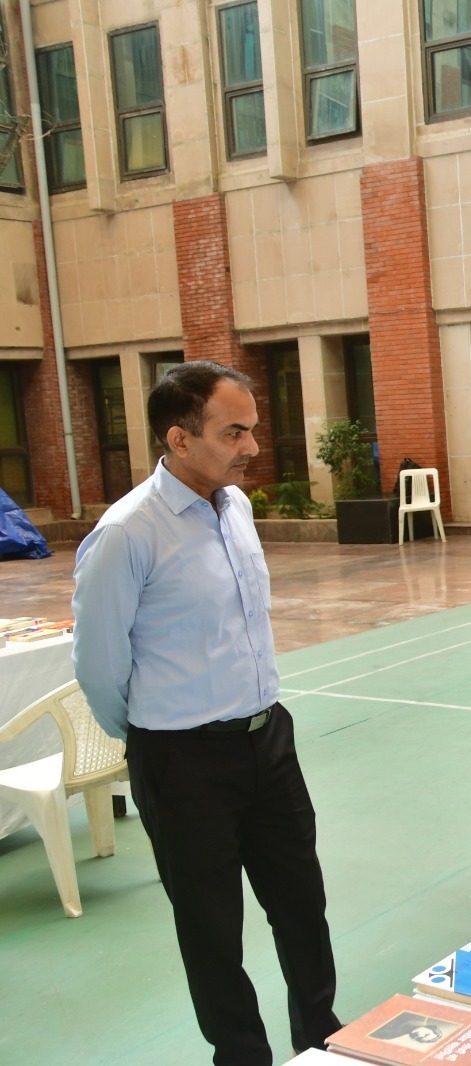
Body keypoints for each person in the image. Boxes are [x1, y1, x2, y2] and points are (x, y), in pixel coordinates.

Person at [72, 360, 341, 1066]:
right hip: (183, 759)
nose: (252, 447)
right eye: (234, 432)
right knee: (211, 928)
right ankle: (243, 1056)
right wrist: (154, 740)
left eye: (253, 429)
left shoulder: (235, 507)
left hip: (266, 740)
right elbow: (100, 667)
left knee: (301, 907)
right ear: (179, 439)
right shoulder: (128, 533)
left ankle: (323, 1039)